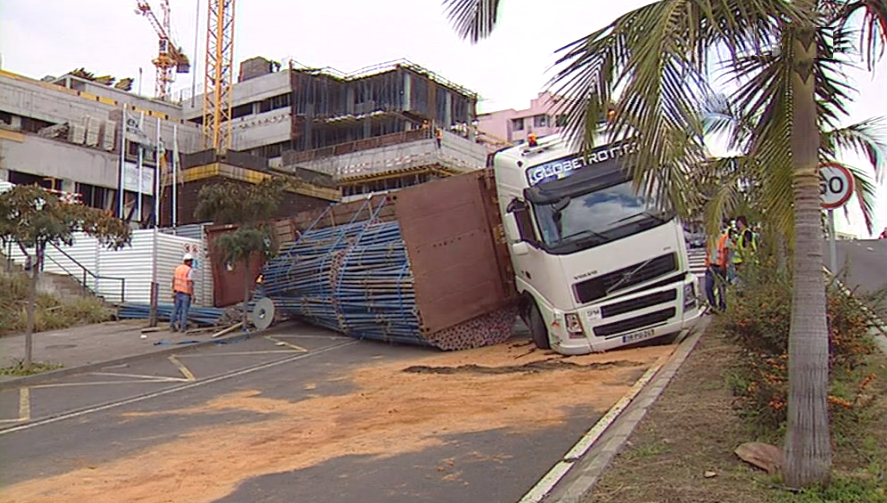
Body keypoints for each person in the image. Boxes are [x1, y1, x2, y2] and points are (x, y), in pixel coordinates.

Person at [703, 219, 732, 312]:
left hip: (720, 266)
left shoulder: (724, 237)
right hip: (711, 266)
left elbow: (726, 252)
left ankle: (722, 306)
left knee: (721, 288)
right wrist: (707, 264)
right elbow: (708, 252)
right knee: (708, 287)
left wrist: (724, 264)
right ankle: (713, 306)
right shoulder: (710, 239)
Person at [170, 253, 195, 332]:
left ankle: (172, 326)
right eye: (191, 261)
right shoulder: (189, 270)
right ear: (189, 261)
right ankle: (182, 327)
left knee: (175, 310)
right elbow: (190, 283)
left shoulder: (178, 268)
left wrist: (173, 291)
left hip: (177, 292)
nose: (191, 263)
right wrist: (193, 295)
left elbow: (173, 280)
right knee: (184, 310)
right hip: (185, 293)